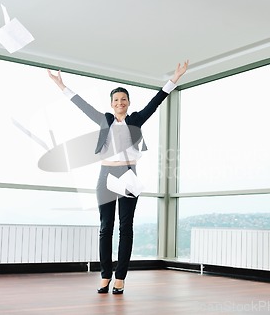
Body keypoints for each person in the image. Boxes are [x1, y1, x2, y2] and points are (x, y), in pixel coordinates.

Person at [47, 61, 188, 294]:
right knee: (105, 228)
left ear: (129, 102)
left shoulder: (136, 120)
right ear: (111, 104)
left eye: (123, 99)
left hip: (128, 175)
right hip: (105, 176)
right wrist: (62, 85)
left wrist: (174, 78)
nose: (120, 103)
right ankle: (105, 276)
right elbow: (81, 105)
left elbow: (157, 100)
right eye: (116, 100)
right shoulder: (105, 120)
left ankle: (120, 277)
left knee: (126, 227)